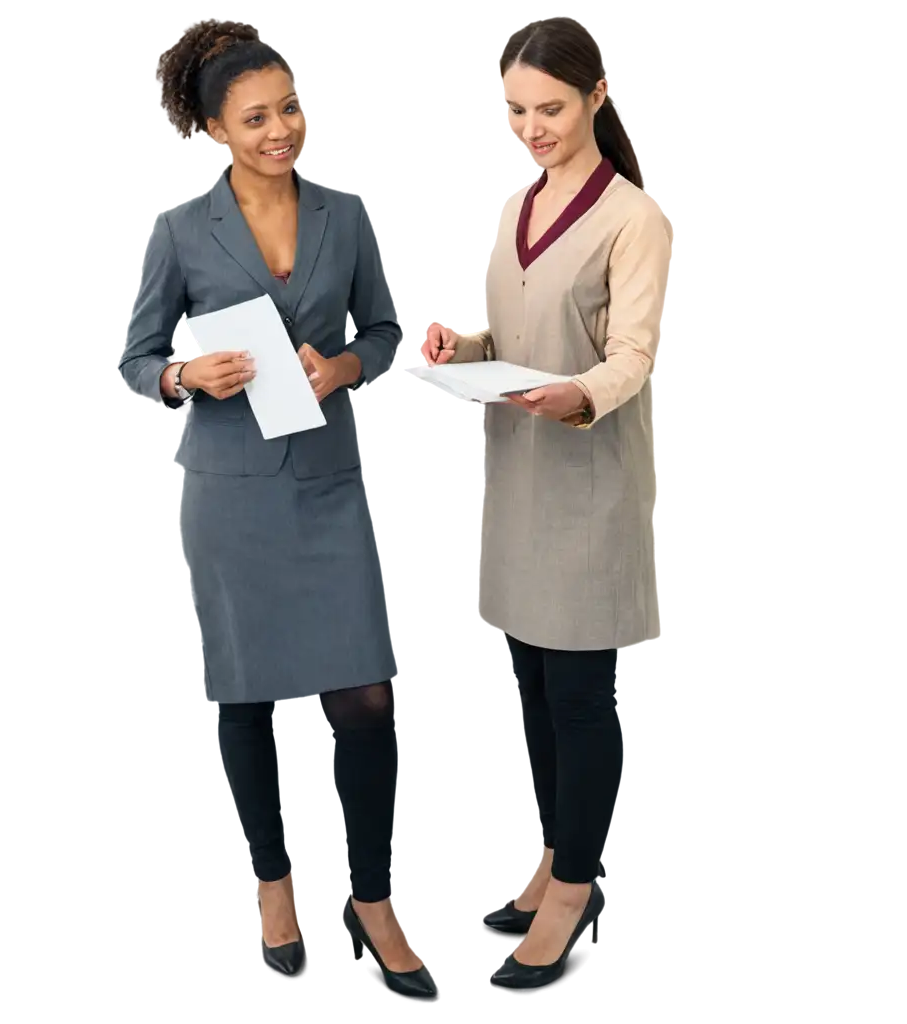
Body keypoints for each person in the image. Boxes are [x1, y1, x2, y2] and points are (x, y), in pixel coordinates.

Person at [117, 20, 435, 1004]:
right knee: (243, 694)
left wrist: (341, 362)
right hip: (230, 497)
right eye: (255, 118)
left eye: (289, 107)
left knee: (364, 699)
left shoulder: (347, 218)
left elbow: (382, 330)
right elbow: (133, 363)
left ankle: (375, 899)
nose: (280, 130)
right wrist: (182, 371)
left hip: (325, 484)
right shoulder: (179, 231)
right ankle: (271, 885)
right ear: (215, 130)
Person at [420, 19, 672, 992]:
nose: (530, 127)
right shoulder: (517, 204)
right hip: (517, 480)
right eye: (514, 110)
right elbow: (528, 327)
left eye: (549, 109)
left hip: (587, 478)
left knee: (578, 694)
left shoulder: (633, 217)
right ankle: (550, 853)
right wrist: (463, 344)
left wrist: (579, 393)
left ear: (596, 98)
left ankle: (572, 887)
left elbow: (633, 355)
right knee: (527, 685)